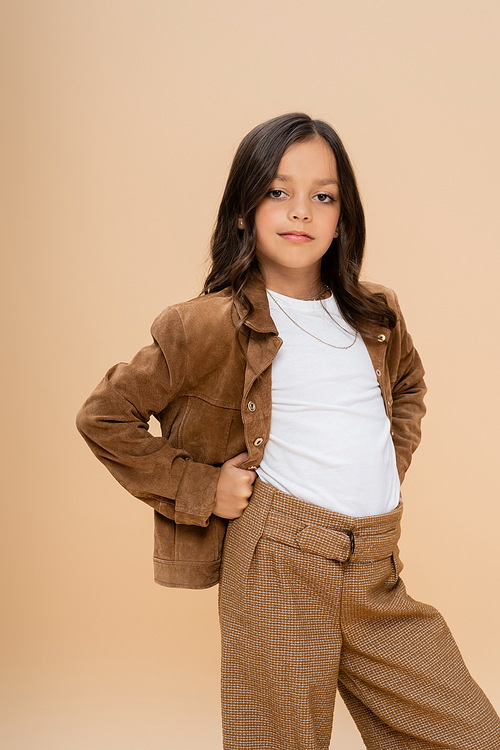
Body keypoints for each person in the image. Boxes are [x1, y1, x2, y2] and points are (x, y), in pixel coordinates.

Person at [76, 112, 500, 750]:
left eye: (322, 196)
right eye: (279, 192)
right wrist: (199, 487)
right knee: (280, 742)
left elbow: (408, 387)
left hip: (374, 562)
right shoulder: (206, 325)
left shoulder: (374, 314)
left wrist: (388, 460)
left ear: (341, 216)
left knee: (470, 734)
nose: (301, 211)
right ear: (244, 210)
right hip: (278, 559)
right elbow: (104, 416)